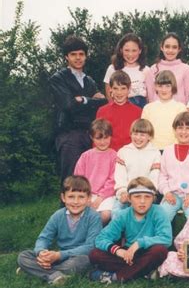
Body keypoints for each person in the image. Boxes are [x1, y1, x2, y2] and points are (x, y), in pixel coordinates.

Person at [17, 176, 102, 284]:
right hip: (59, 259)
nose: (76, 202)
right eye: (71, 197)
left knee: (84, 261)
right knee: (23, 256)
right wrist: (41, 252)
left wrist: (58, 255)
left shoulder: (94, 217)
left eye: (81, 197)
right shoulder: (58, 216)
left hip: (77, 257)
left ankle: (36, 271)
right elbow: (44, 237)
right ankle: (54, 275)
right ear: (63, 197)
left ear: (89, 198)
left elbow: (90, 247)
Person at [89, 177, 171, 283]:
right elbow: (101, 238)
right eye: (137, 197)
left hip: (148, 252)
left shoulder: (159, 211)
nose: (142, 201)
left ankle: (116, 277)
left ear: (153, 198)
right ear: (129, 198)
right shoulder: (123, 215)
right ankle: (144, 271)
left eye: (147, 197)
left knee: (160, 251)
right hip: (127, 255)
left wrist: (139, 243)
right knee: (95, 254)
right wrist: (118, 251)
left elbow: (166, 238)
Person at [49, 35, 107, 186]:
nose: (78, 58)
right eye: (73, 54)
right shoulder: (58, 78)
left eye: (81, 54)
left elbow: (103, 102)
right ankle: (65, 210)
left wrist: (84, 99)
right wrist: (91, 101)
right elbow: (68, 105)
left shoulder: (90, 80)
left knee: (89, 179)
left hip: (89, 134)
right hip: (69, 135)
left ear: (86, 56)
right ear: (66, 57)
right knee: (70, 179)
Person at [158, 112, 189, 222]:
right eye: (180, 128)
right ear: (175, 130)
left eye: (188, 128)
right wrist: (166, 191)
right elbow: (162, 175)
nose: (184, 132)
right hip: (172, 194)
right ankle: (162, 239)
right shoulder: (167, 150)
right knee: (162, 216)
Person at [113, 119, 161, 217]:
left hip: (146, 194)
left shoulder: (155, 153)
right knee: (116, 212)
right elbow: (120, 175)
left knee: (149, 215)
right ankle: (118, 232)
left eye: (142, 135)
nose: (138, 138)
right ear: (131, 134)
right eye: (135, 134)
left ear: (150, 137)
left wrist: (146, 193)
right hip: (127, 193)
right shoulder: (123, 151)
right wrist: (122, 192)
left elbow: (154, 177)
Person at [74, 119, 117, 224]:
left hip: (106, 195)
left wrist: (100, 198)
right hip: (86, 193)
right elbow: (78, 179)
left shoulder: (114, 155)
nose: (102, 142)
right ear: (92, 138)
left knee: (105, 214)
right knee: (78, 213)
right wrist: (86, 196)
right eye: (98, 138)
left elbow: (112, 180)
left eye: (106, 138)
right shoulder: (86, 156)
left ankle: (95, 235)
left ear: (111, 136)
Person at [96, 70, 142, 152]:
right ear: (110, 89)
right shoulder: (102, 111)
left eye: (123, 88)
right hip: (109, 154)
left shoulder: (138, 112)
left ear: (129, 89)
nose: (119, 93)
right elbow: (97, 137)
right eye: (115, 88)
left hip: (131, 155)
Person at [141, 70, 187, 150]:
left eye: (167, 86)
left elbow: (183, 131)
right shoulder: (148, 108)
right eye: (160, 86)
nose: (164, 90)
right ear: (155, 87)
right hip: (152, 150)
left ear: (173, 87)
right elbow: (144, 132)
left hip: (174, 149)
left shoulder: (180, 108)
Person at [103, 33, 151, 108]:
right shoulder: (112, 69)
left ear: (140, 51)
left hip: (141, 110)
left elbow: (149, 96)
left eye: (134, 50)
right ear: (121, 50)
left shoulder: (146, 70)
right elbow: (109, 95)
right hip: (119, 108)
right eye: (127, 50)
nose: (130, 54)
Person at [145, 32, 189, 104]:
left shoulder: (187, 69)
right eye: (167, 46)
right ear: (162, 47)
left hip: (179, 113)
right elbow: (150, 97)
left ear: (179, 49)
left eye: (174, 47)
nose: (170, 50)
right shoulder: (153, 69)